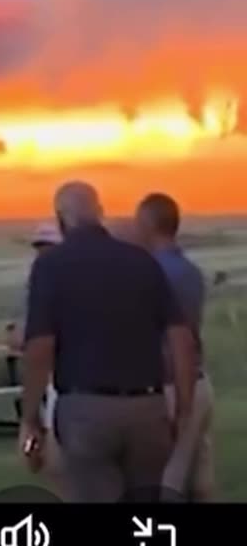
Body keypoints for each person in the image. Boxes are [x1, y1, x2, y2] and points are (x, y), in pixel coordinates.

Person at [19, 181, 198, 502]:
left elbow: (40, 347)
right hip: (148, 408)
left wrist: (31, 418)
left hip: (86, 410)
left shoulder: (51, 266)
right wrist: (183, 409)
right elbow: (182, 338)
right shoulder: (142, 261)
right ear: (100, 213)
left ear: (61, 218)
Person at [134, 193, 217, 501]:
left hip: (171, 384)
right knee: (199, 483)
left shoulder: (151, 274)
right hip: (198, 381)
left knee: (167, 481)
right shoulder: (190, 271)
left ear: (147, 224)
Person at [5, 222, 66, 497]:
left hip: (65, 380)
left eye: (48, 247)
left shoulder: (65, 282)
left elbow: (40, 339)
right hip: (51, 380)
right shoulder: (39, 284)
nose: (43, 254)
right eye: (40, 248)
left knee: (58, 454)